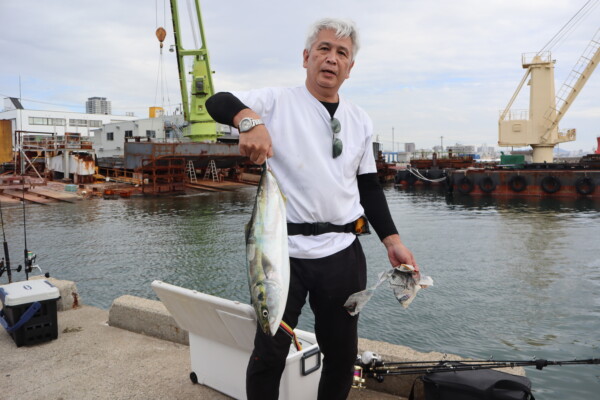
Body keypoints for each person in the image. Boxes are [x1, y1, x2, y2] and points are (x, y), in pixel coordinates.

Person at [206, 18, 417, 400]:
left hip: (342, 254)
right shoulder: (275, 102)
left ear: (350, 68)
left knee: (341, 354)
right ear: (306, 57)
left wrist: (392, 240)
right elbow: (217, 101)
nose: (331, 59)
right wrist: (248, 121)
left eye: (342, 53)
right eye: (323, 49)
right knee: (268, 353)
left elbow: (368, 186)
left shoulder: (360, 119)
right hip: (281, 255)